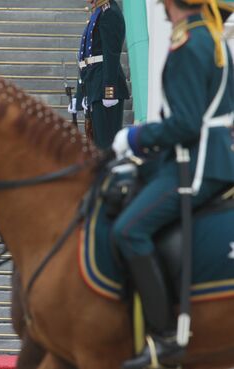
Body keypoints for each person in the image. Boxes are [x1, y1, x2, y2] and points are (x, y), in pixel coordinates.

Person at [111, 0, 234, 368]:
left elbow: (185, 124)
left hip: (195, 164)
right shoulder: (209, 38)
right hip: (205, 155)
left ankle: (164, 337)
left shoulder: (190, 43)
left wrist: (134, 138)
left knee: (129, 230)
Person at [69, 0, 129, 149]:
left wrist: (109, 92)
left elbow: (111, 54)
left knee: (105, 146)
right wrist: (79, 96)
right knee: (96, 145)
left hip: (104, 86)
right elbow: (85, 60)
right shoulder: (98, 12)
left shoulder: (110, 13)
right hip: (94, 84)